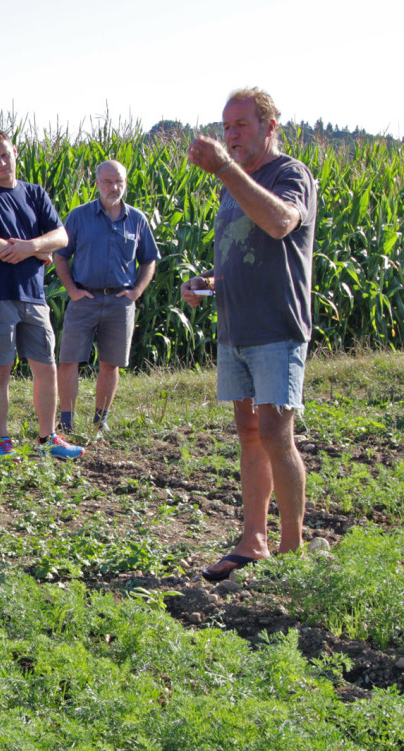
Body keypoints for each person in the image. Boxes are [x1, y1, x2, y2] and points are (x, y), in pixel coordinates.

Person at [181, 88, 317, 580]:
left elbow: (281, 223)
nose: (231, 135)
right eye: (226, 127)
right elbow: (248, 252)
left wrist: (224, 168)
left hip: (276, 326)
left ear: (269, 126)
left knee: (278, 434)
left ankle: (292, 550)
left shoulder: (289, 175)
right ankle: (253, 539)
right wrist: (208, 284)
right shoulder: (233, 183)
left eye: (240, 125)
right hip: (235, 327)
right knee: (249, 434)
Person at [0, 130, 83, 461]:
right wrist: (36, 250)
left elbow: (60, 237)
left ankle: (48, 439)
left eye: (5, 155)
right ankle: (3, 441)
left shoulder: (34, 193)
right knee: (1, 368)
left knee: (45, 367)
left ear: (15, 152)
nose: (1, 163)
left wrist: (31, 247)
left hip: (33, 293)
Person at [54, 160, 159, 435]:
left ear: (125, 182)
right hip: (83, 298)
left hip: (119, 301)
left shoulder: (137, 219)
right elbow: (61, 256)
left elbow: (149, 260)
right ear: (97, 182)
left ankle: (101, 421)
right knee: (69, 360)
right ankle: (66, 420)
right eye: (108, 182)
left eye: (119, 182)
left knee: (111, 363)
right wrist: (72, 291)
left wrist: (136, 292)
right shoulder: (78, 216)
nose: (114, 187)